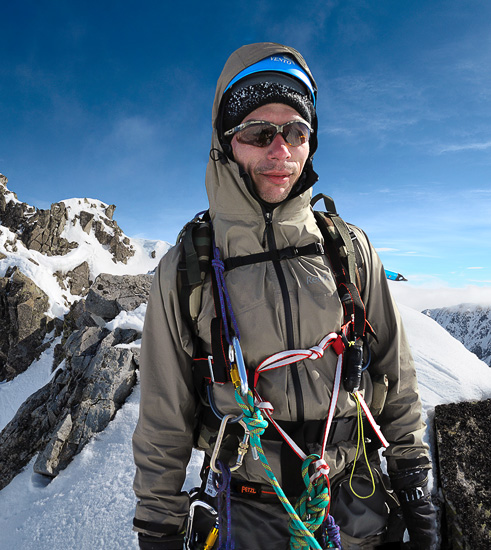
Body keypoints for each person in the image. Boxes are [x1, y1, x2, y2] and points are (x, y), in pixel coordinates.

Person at [131, 43, 440, 549]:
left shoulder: (349, 250)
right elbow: (164, 417)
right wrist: (158, 527)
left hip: (354, 503)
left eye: (297, 132)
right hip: (248, 513)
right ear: (226, 141)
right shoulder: (186, 268)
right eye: (259, 132)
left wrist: (412, 483)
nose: (281, 151)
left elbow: (395, 376)